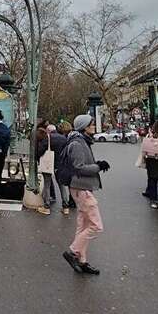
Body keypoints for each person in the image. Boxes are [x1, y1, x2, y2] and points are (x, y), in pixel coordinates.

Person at [62, 114, 110, 276]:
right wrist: (98, 166)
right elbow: (79, 167)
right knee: (96, 226)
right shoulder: (77, 143)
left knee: (82, 225)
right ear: (84, 126)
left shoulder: (80, 141)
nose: (94, 126)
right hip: (81, 188)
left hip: (80, 187)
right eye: (91, 124)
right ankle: (73, 251)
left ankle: (82, 261)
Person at [53, 123, 72, 215]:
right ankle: (71, 202)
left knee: (61, 186)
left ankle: (65, 206)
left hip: (59, 165)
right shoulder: (72, 138)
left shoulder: (58, 139)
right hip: (70, 164)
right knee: (70, 185)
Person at [35, 124, 54, 215]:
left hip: (46, 164)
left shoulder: (43, 142)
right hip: (51, 164)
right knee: (48, 183)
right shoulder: (49, 139)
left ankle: (46, 206)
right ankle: (45, 199)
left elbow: (39, 152)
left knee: (47, 184)